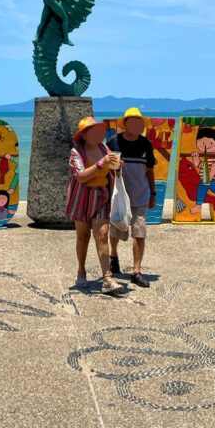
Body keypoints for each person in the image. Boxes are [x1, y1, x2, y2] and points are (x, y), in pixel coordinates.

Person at [65, 117, 125, 295]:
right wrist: (101, 163)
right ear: (84, 135)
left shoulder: (103, 148)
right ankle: (81, 272)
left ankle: (107, 279)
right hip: (82, 198)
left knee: (102, 235)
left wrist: (117, 166)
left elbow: (110, 170)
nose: (98, 133)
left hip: (101, 196)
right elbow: (81, 176)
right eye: (93, 131)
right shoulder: (76, 152)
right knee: (82, 237)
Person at [107, 108, 156, 288]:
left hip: (141, 195)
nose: (136, 125)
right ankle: (113, 255)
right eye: (132, 121)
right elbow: (108, 169)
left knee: (139, 231)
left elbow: (150, 170)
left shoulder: (145, 143)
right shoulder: (114, 142)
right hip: (119, 196)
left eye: (139, 121)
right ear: (125, 123)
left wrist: (153, 193)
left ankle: (136, 270)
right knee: (116, 229)